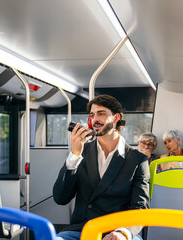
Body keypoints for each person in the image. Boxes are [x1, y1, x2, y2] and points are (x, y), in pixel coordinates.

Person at [53, 95, 150, 240]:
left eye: (101, 114)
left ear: (116, 118)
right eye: (92, 115)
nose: (95, 120)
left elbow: (140, 208)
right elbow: (61, 198)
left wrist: (124, 232)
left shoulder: (137, 159)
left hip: (118, 231)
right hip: (81, 230)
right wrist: (74, 155)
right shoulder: (81, 152)